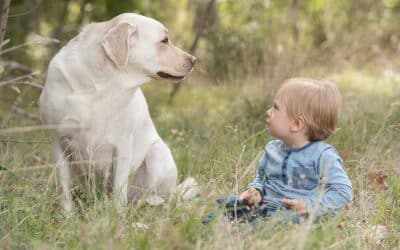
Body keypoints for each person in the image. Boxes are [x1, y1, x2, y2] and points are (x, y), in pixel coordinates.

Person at [204, 78, 353, 225]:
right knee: (230, 205)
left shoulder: (322, 155)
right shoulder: (272, 149)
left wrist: (309, 205)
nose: (268, 112)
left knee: (280, 221)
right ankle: (233, 220)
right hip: (267, 207)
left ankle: (255, 226)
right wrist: (257, 190)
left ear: (296, 124)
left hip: (297, 215)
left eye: (275, 107)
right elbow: (262, 178)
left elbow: (343, 191)